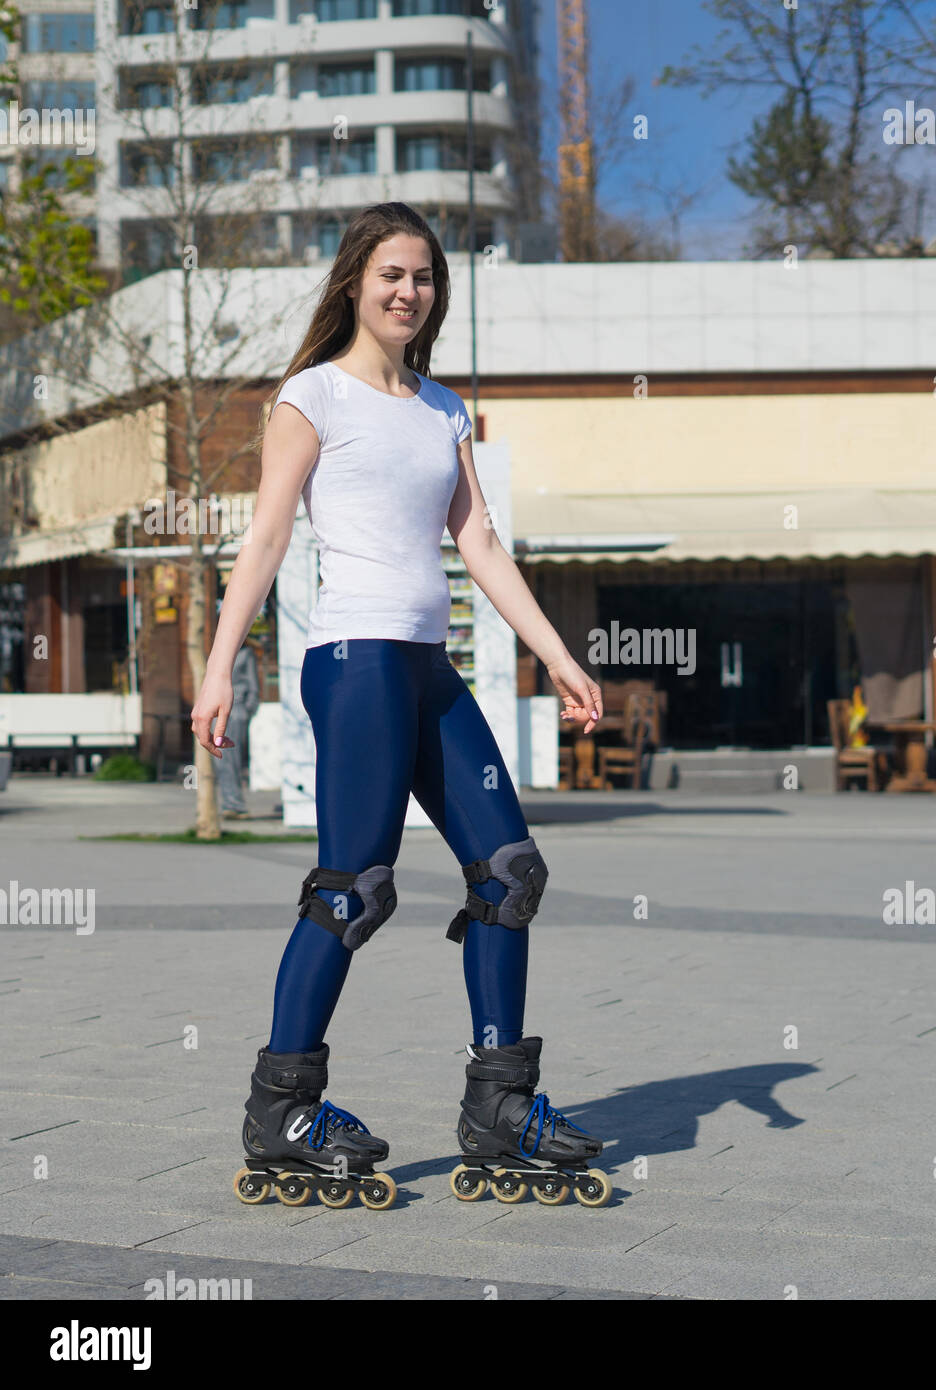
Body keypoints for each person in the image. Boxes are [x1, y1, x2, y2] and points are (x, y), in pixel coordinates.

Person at [191, 201, 610, 1210]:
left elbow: (481, 545)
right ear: (354, 282)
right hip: (355, 661)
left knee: (510, 872)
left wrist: (555, 653)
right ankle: (283, 1108)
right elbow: (264, 541)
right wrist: (215, 666)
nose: (408, 291)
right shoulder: (311, 398)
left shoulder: (442, 408)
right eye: (391, 274)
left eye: (422, 277)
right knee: (354, 889)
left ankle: (500, 1101)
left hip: (428, 665)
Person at [213, 637, 259, 818]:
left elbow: (253, 687)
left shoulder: (246, 654)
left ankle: (235, 804)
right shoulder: (217, 653)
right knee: (221, 759)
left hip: (236, 711)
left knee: (233, 759)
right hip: (218, 713)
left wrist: (246, 711)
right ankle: (230, 803)